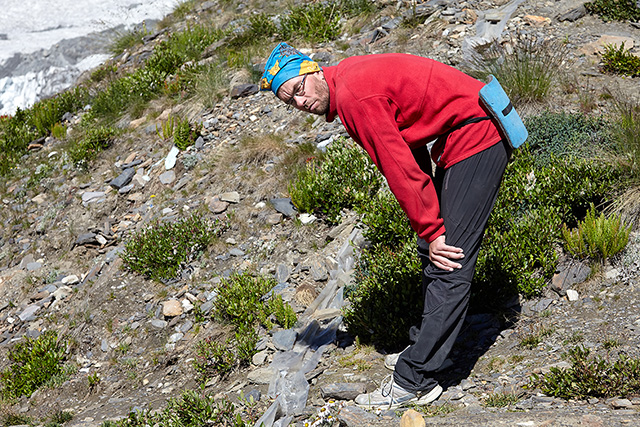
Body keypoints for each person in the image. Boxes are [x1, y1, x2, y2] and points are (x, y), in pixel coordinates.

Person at [260, 42, 511, 410]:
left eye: (299, 89)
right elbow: (410, 149)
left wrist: (432, 230)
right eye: (290, 101)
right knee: (435, 248)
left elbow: (401, 170)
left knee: (449, 260)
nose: (301, 102)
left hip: (477, 134)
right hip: (465, 131)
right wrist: (429, 229)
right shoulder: (346, 80)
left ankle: (415, 380)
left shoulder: (354, 98)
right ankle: (427, 343)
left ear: (312, 70)